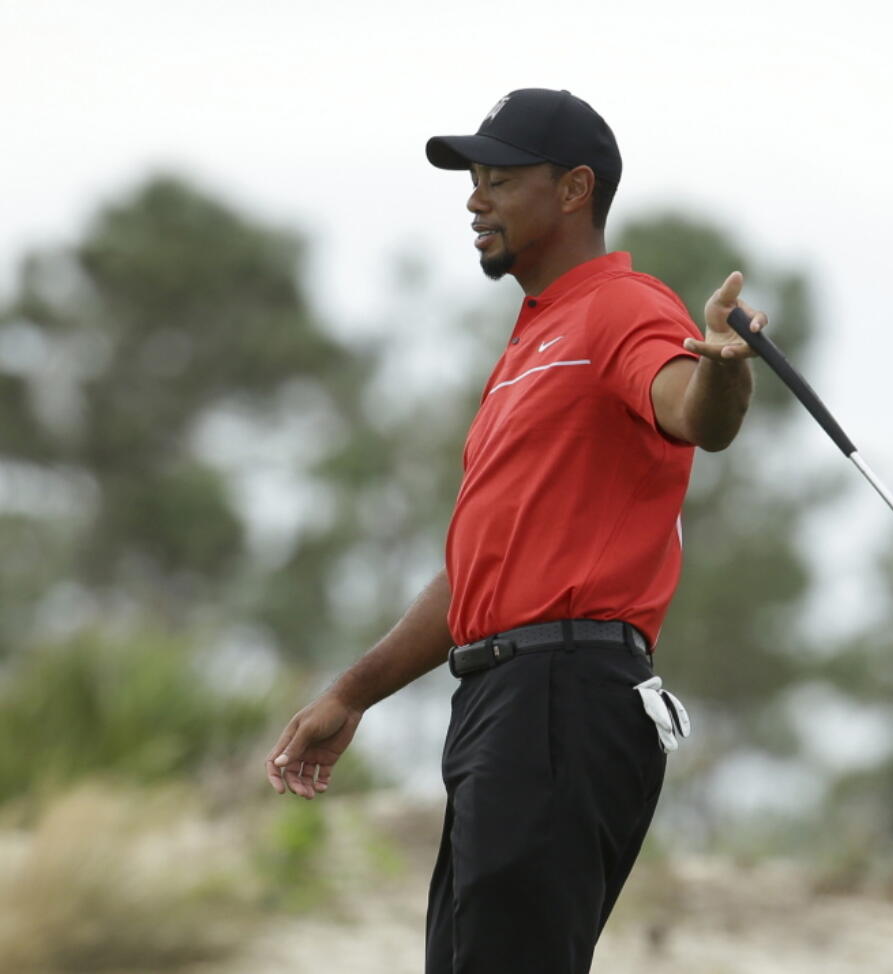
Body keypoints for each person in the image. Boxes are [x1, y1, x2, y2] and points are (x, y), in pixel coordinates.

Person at [265, 88, 768, 973]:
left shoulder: (621, 307)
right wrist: (353, 692)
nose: (474, 198)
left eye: (499, 179)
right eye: (473, 180)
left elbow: (691, 412)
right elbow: (480, 574)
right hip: (503, 703)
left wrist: (722, 366)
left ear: (575, 190)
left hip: (563, 695)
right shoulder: (533, 340)